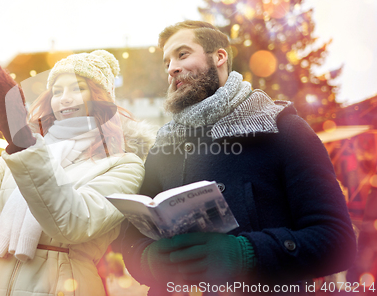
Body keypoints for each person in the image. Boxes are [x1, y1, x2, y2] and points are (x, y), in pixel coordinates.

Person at [120, 21, 357, 295]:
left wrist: (246, 254)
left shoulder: (284, 129)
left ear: (219, 57)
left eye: (182, 54)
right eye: (167, 62)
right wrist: (149, 260)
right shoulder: (164, 145)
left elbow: (339, 243)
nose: (171, 68)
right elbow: (131, 241)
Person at [0, 50, 155, 296]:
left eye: (77, 89)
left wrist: (21, 139)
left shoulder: (124, 164)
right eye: (57, 91)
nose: (64, 98)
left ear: (100, 98)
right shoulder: (26, 153)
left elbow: (72, 222)